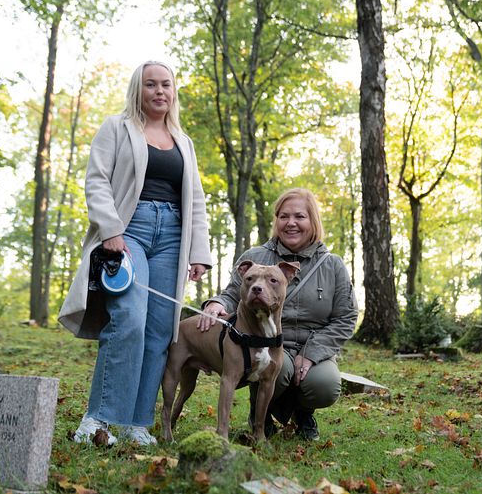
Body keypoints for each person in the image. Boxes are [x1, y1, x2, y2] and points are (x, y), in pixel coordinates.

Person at [59, 60, 212, 446]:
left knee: (160, 331)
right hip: (131, 230)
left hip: (173, 236)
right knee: (129, 317)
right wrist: (110, 229)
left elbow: (195, 199)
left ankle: (136, 423)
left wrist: (199, 252)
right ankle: (98, 420)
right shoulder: (116, 127)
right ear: (137, 90)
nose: (159, 91)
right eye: (150, 85)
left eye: (166, 85)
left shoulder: (185, 141)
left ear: (173, 91)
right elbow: (96, 180)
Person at [198, 188, 357, 441]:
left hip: (310, 347)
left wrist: (312, 353)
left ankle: (303, 413)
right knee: (278, 370)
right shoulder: (255, 256)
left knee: (324, 385)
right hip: (262, 344)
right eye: (284, 216)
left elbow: (346, 317)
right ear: (276, 221)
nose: (291, 223)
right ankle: (261, 414)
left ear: (313, 221)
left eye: (299, 216)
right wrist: (217, 303)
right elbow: (232, 293)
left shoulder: (332, 265)